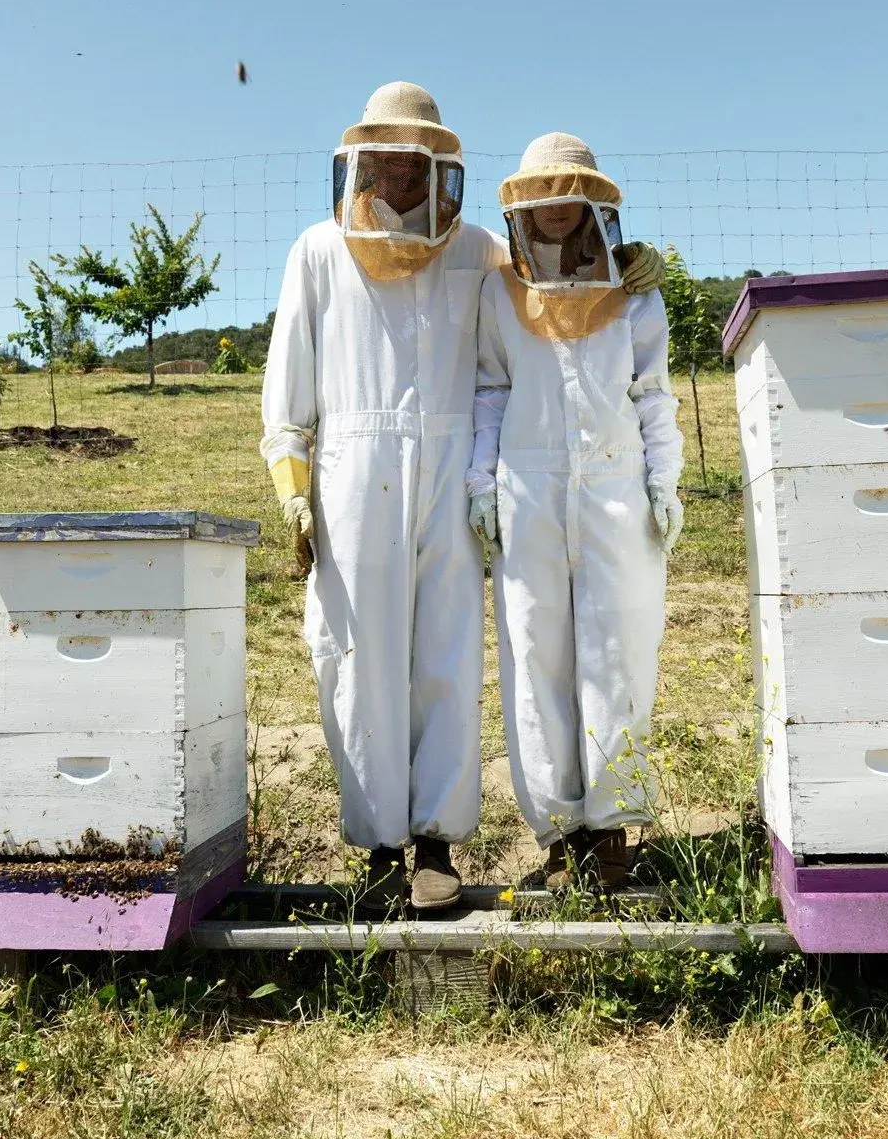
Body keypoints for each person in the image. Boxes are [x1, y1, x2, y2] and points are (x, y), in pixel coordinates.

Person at [261, 86, 665, 914]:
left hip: (456, 473)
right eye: (387, 156)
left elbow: (557, 284)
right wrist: (294, 489)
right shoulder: (317, 251)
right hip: (352, 472)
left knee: (446, 654)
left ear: (439, 165)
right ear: (363, 160)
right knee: (358, 655)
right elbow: (287, 387)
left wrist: (629, 262)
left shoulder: (481, 250)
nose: (401, 172)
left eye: (416, 159)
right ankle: (379, 849)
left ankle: (435, 846)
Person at [467, 133, 684, 892]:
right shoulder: (499, 291)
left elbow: (652, 393)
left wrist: (665, 479)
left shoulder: (636, 290)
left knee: (617, 652)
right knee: (536, 656)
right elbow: (490, 391)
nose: (556, 211)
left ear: (593, 204)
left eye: (570, 197)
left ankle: (612, 830)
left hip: (617, 490)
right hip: (526, 491)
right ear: (523, 208)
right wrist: (480, 482)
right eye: (543, 199)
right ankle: (560, 836)